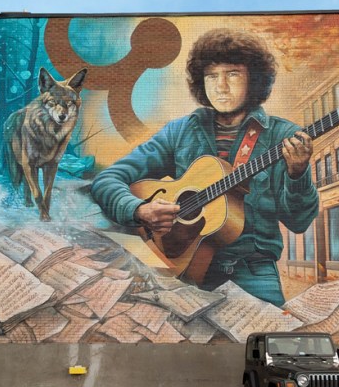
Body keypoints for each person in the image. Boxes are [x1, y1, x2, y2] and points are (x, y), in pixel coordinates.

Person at [91, 28, 318, 306]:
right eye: (211, 76)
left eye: (232, 74)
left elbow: (299, 222)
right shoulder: (180, 132)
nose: (220, 86)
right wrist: (138, 210)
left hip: (253, 273)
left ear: (254, 78)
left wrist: (297, 175)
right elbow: (107, 180)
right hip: (179, 270)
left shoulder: (282, 136)